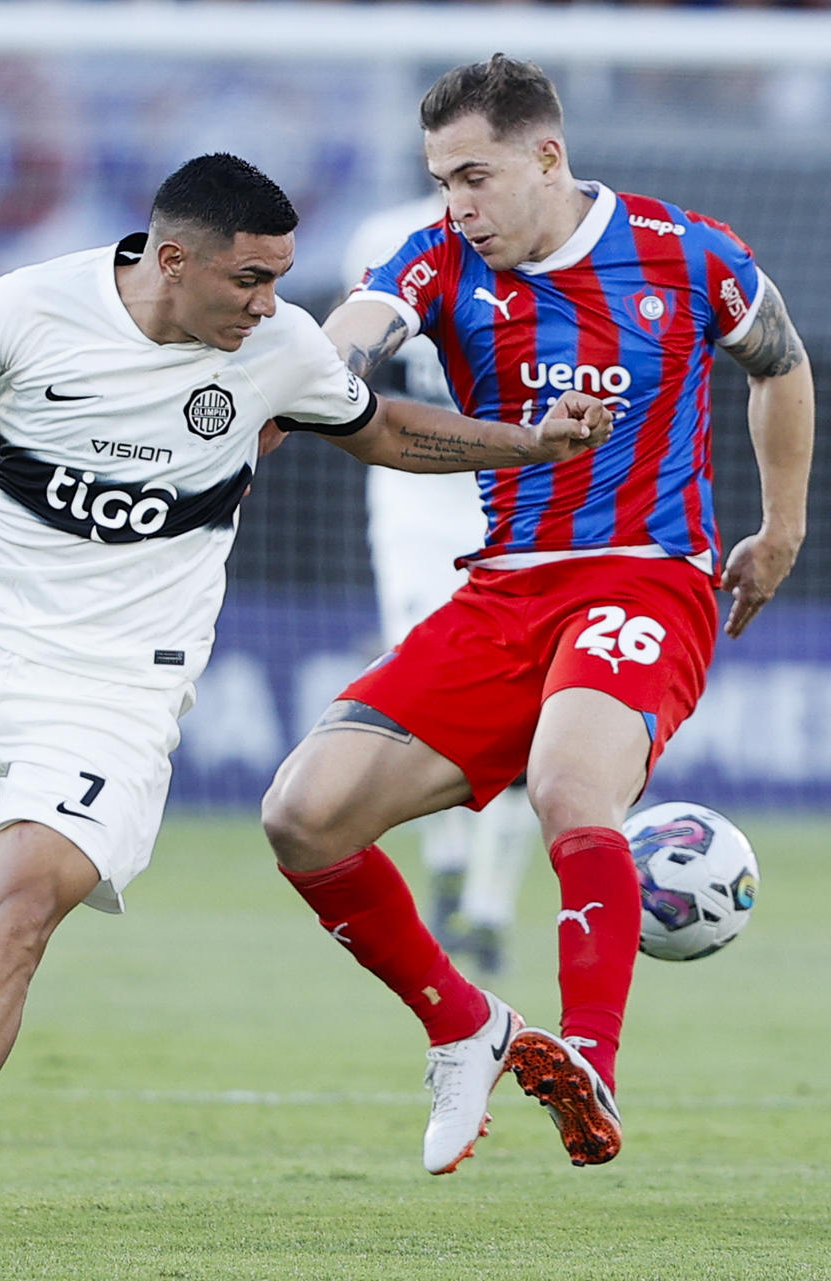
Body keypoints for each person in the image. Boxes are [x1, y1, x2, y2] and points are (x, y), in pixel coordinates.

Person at [0, 153, 610, 1234]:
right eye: (249, 280)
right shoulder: (23, 309)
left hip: (114, 692)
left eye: (281, 279)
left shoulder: (277, 349)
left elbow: (378, 428)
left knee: (12, 918)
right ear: (172, 258)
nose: (271, 305)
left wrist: (528, 444)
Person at [261, 55, 815, 1173]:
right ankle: (464, 1024)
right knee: (301, 816)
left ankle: (589, 1061)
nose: (457, 205)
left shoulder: (685, 251)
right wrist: (314, 372)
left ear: (547, 157)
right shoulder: (437, 258)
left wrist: (783, 526)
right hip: (504, 588)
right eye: (441, 180)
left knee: (569, 785)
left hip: (645, 576)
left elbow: (781, 363)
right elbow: (360, 328)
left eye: (475, 176)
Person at [347, 196, 539, 976]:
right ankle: (449, 861)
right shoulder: (385, 234)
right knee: (422, 690)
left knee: (527, 698)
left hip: (517, 498)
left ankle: (490, 908)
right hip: (415, 499)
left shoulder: (557, 238)